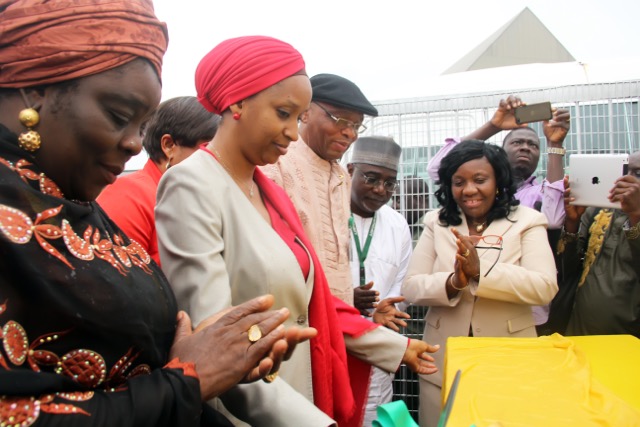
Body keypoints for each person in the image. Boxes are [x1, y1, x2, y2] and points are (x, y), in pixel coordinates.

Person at [0, 2, 314, 426]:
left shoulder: (72, 205)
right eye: (118, 116)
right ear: (35, 89)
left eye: (142, 124)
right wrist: (186, 380)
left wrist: (210, 359)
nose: (134, 144)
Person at [155, 36, 439, 427]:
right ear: (236, 102)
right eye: (283, 113)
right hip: (249, 411)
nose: (292, 132)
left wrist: (390, 346)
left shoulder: (265, 190)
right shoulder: (192, 185)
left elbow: (312, 302)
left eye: (298, 116)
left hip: (295, 397)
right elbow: (219, 351)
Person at [402, 140, 558, 427]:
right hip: (442, 363)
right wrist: (452, 282)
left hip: (509, 364)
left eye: (480, 180)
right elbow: (411, 286)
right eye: (458, 182)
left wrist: (479, 272)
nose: (469, 190)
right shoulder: (436, 223)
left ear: (498, 181)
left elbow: (545, 286)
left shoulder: (528, 221)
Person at [426, 96, 570, 332]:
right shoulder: (467, 196)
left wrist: (554, 144)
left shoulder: (538, 193)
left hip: (519, 319)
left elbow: (554, 218)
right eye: (518, 142)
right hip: (458, 318)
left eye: (533, 145)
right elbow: (437, 168)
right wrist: (493, 125)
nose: (525, 147)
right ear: (500, 154)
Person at [261, 73, 379, 305]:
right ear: (305, 112)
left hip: (340, 315)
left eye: (357, 126)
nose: (350, 133)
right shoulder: (275, 165)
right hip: (293, 313)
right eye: (341, 120)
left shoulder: (342, 177)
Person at [98, 96, 219, 265]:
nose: (217, 159)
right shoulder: (131, 196)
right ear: (169, 145)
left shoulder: (196, 197)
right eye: (207, 148)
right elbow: (117, 278)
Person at [346, 136, 414, 427]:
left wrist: (384, 310)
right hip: (333, 339)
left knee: (373, 414)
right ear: (350, 171)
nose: (380, 190)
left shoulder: (397, 223)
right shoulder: (325, 214)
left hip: (377, 342)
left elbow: (401, 281)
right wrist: (346, 299)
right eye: (371, 178)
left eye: (389, 183)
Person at [561, 150, 640, 337]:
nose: (627, 179)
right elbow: (568, 268)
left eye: (638, 173)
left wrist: (636, 215)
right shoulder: (598, 210)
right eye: (625, 171)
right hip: (580, 330)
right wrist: (572, 223)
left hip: (629, 339)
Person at [392, 176, 430, 245]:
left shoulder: (432, 227)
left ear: (418, 199)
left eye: (398, 200)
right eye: (393, 200)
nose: (393, 206)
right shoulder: (399, 226)